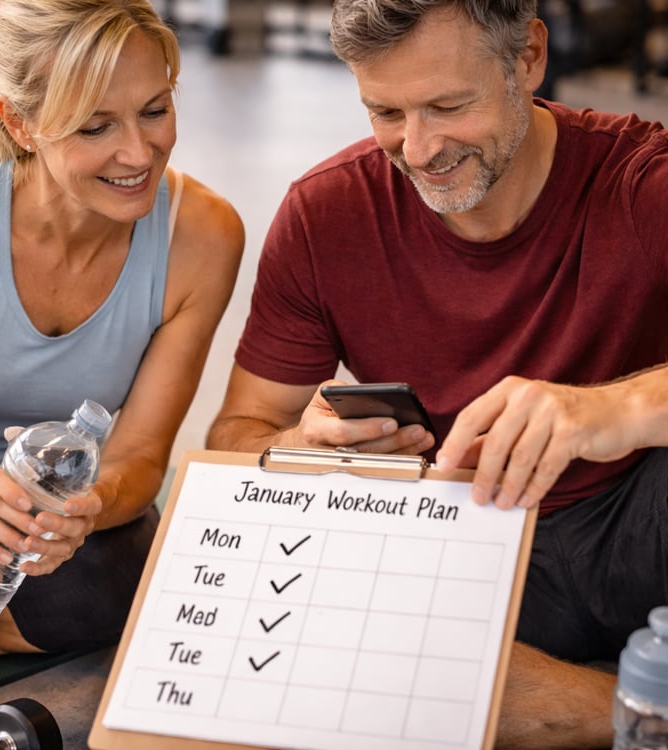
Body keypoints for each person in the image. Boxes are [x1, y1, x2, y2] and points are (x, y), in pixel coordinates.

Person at [206, 0, 668, 747]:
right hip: (463, 543)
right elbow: (234, 435)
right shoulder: (325, 215)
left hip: (639, 522)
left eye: (449, 106)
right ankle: (628, 707)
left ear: (528, 59)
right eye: (385, 111)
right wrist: (298, 445)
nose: (418, 149)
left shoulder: (641, 179)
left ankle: (549, 702)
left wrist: (616, 410)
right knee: (281, 613)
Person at [0, 0, 243, 655]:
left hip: (43, 539)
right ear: (19, 122)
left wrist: (87, 509)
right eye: (95, 127)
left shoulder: (203, 235)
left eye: (155, 110)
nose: (138, 153)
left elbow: (141, 457)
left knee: (121, 575)